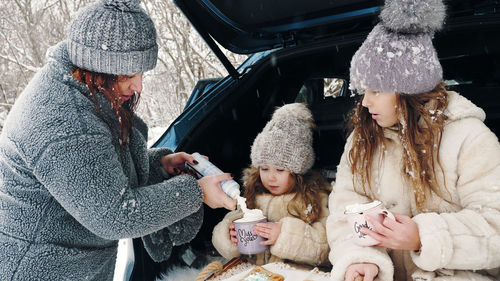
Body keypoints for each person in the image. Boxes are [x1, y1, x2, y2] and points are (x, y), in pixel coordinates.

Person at [0, 0, 236, 280]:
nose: (138, 86)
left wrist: (160, 163)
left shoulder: (82, 88)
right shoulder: (66, 120)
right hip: (40, 269)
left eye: (141, 74)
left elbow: (95, 173)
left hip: (73, 263)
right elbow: (116, 213)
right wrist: (196, 192)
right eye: (128, 75)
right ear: (99, 67)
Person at [326, 0, 500, 281]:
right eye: (363, 90)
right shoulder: (362, 139)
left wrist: (425, 237)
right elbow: (345, 210)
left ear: (410, 89)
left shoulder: (469, 138)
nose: (366, 101)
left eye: (377, 89)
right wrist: (361, 260)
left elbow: (495, 227)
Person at [212, 103, 331, 267]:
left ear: (298, 171)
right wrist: (229, 235)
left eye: (280, 170)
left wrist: (284, 234)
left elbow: (326, 247)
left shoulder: (314, 197)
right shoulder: (253, 195)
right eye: (264, 168)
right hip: (256, 274)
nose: (271, 178)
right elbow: (228, 226)